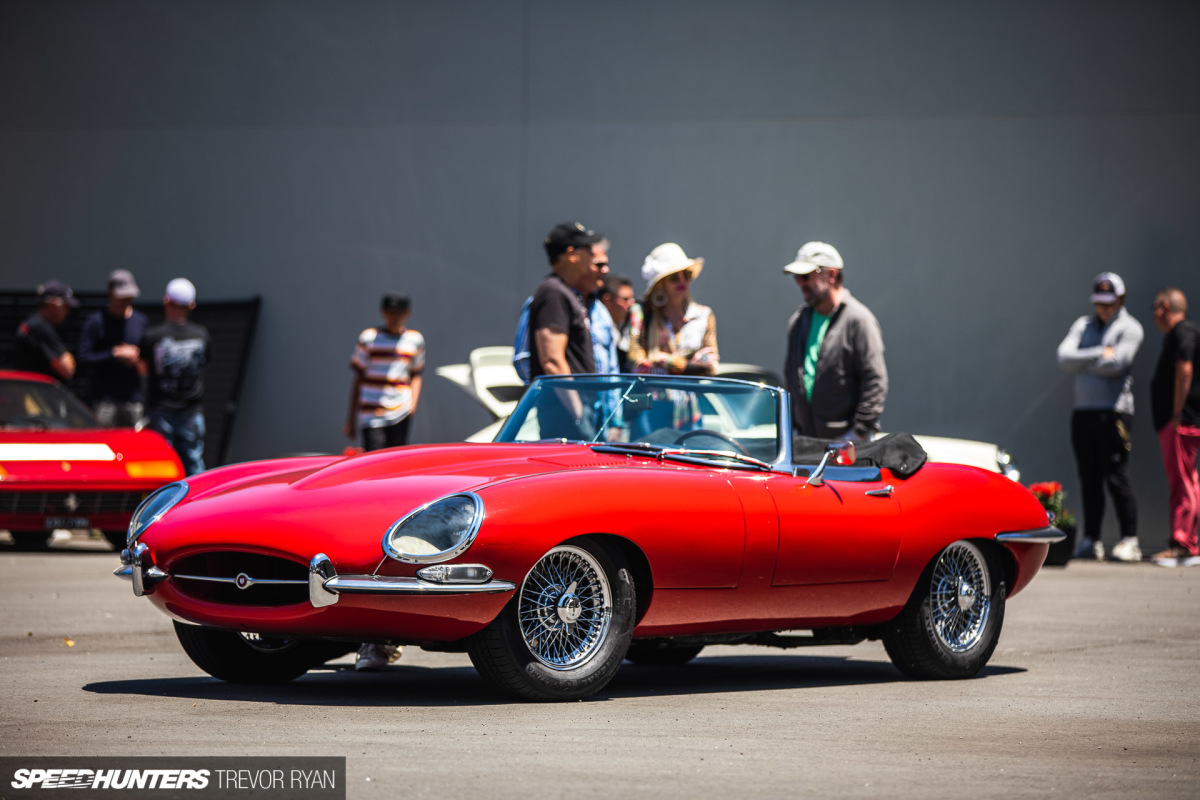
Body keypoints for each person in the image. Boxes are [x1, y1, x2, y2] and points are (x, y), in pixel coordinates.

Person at [1055, 273, 1144, 562]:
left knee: (1115, 477)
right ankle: (1092, 539)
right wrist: (1098, 354)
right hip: (1084, 412)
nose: (1103, 308)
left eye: (1109, 303)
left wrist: (1084, 361)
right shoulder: (1083, 324)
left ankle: (1130, 539)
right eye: (1099, 303)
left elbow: (1119, 363)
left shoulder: (1131, 327)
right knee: (1089, 478)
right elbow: (1064, 356)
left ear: (1120, 299)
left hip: (1114, 413)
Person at [782, 241, 887, 442]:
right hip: (805, 442)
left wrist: (859, 432)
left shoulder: (858, 319)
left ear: (831, 275)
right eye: (797, 277)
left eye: (806, 276)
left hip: (846, 444)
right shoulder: (798, 321)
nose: (800, 283)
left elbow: (875, 379)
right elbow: (791, 378)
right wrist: (793, 429)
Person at [1148, 287, 1200, 567]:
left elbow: (1185, 370)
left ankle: (1183, 544)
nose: (1154, 314)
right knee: (1188, 480)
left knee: (1183, 482)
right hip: (1182, 419)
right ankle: (1187, 543)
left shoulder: (1183, 332)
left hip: (1182, 421)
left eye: (1155, 307)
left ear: (1165, 307)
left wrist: (1177, 413)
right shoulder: (1184, 332)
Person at [139, 278, 210, 477]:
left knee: (161, 469)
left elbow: (142, 369)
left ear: (166, 301)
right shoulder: (201, 335)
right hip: (191, 412)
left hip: (161, 411)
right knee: (194, 465)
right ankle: (199, 508)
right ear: (192, 305)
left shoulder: (152, 336)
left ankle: (162, 507)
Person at [344, 293, 425, 453]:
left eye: (399, 313)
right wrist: (351, 418)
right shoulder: (369, 339)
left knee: (396, 463)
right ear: (383, 313)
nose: (394, 317)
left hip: (400, 412)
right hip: (372, 414)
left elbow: (415, 375)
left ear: (407, 314)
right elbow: (358, 377)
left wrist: (412, 407)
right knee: (374, 460)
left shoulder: (415, 340)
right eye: (390, 312)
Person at [629, 243, 717, 375]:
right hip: (655, 393)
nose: (682, 281)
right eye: (674, 277)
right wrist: (690, 364)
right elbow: (636, 360)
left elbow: (711, 366)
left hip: (692, 394)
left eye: (686, 274)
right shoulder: (642, 312)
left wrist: (665, 360)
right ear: (660, 283)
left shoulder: (703, 314)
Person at [78, 269, 148, 427]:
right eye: (122, 296)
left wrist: (136, 358)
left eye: (129, 295)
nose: (126, 300)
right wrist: (114, 353)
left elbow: (147, 359)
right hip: (105, 400)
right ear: (110, 293)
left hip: (133, 399)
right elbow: (83, 358)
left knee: (133, 447)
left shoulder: (141, 321)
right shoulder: (95, 322)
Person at [14, 280, 78, 381]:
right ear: (54, 303)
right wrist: (69, 357)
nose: (68, 312)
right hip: (37, 392)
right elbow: (67, 369)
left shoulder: (32, 323)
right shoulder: (40, 327)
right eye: (66, 306)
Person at [598, 274, 637, 372]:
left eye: (632, 299)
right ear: (607, 300)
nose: (631, 304)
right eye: (625, 299)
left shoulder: (630, 325)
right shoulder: (595, 328)